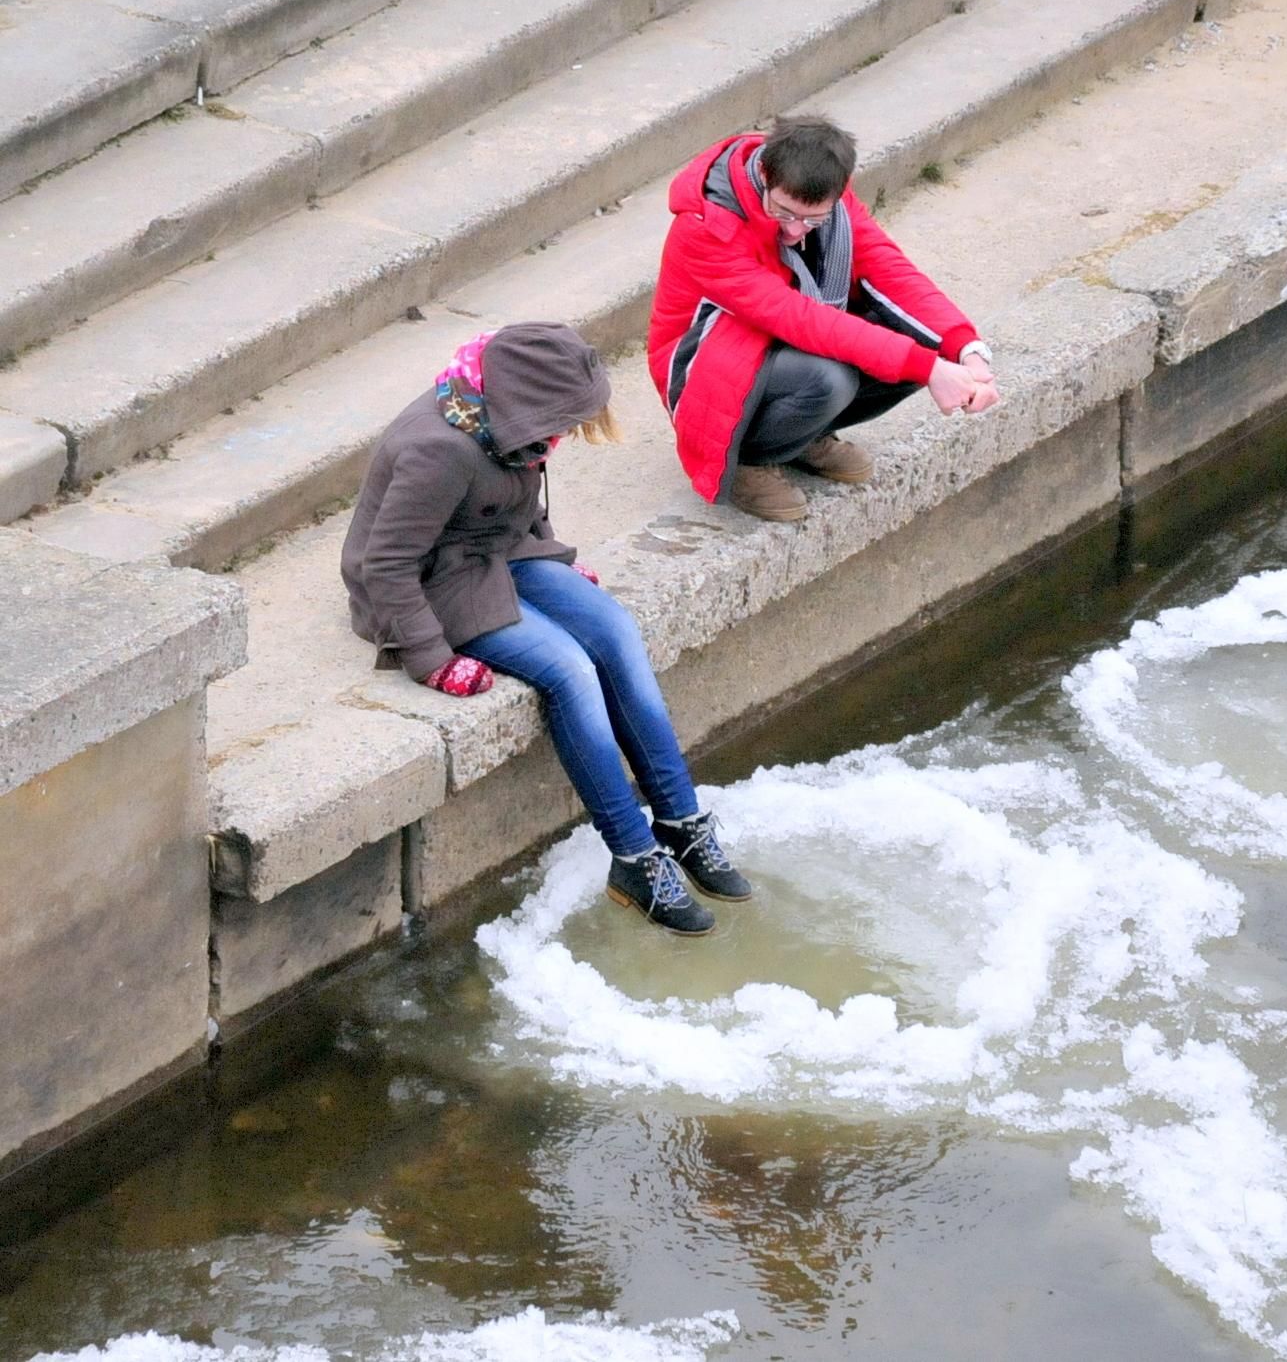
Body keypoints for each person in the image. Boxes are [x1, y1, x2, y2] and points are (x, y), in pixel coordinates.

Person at [340, 321, 749, 936]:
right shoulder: (441, 448)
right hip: (430, 585)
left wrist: (550, 555)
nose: (561, 439)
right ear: (524, 404)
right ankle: (634, 857)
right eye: (557, 423)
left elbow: (519, 502)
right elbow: (386, 563)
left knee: (615, 631)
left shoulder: (502, 421)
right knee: (570, 671)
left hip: (497, 555)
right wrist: (429, 658)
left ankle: (680, 820)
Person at [648, 113, 1001, 522]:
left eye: (813, 220)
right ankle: (749, 459)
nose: (796, 231)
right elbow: (797, 318)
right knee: (830, 379)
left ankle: (802, 437)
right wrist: (928, 368)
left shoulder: (832, 200)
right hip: (704, 363)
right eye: (784, 213)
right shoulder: (707, 226)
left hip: (773, 344)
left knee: (920, 338)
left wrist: (966, 352)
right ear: (764, 172)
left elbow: (888, 270)